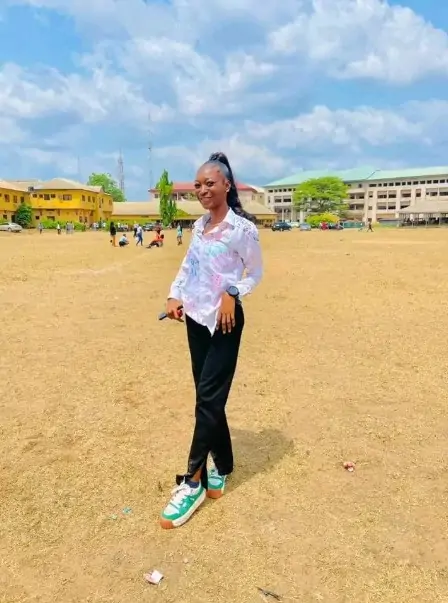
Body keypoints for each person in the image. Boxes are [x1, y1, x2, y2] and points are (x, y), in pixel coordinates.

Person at [160, 151, 263, 529]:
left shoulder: (242, 230)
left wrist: (233, 292)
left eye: (210, 183)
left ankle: (193, 480)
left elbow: (255, 272)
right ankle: (223, 463)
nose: (203, 190)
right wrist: (174, 295)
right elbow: (188, 266)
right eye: (198, 185)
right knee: (208, 398)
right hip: (196, 318)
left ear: (226, 185)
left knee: (207, 399)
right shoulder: (199, 226)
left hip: (225, 322)